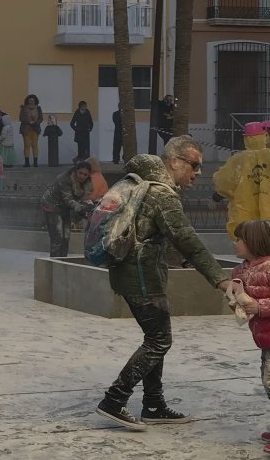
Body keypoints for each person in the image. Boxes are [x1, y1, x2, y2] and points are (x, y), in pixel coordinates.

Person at [95, 136, 231, 430]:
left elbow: (159, 236)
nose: (198, 173)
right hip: (142, 279)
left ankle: (154, 405)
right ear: (175, 162)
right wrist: (220, 279)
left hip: (133, 274)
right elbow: (188, 241)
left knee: (154, 338)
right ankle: (114, 399)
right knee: (159, 340)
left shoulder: (145, 186)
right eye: (194, 165)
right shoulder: (162, 194)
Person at [228, 220, 270, 455]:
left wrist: (260, 306)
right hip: (264, 339)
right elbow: (238, 302)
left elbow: (257, 304)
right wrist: (234, 299)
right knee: (268, 383)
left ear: (253, 241)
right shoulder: (242, 271)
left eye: (239, 239)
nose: (234, 243)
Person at [212, 122, 270, 239]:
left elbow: (223, 183)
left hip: (244, 219)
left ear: (246, 138)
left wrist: (221, 195)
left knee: (248, 248)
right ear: (264, 136)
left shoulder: (237, 160)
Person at [40, 161, 93, 257]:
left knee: (66, 236)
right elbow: (68, 200)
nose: (82, 176)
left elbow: (80, 200)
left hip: (64, 208)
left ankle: (63, 262)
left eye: (85, 174)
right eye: (80, 173)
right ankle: (55, 264)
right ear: (76, 171)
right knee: (57, 237)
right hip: (52, 206)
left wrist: (87, 209)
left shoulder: (86, 184)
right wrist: (83, 209)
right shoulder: (65, 179)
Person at [19, 94, 43, 167]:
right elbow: (21, 118)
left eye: (32, 101)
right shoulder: (23, 108)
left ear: (35, 101)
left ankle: (35, 162)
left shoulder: (38, 108)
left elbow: (41, 118)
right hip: (26, 129)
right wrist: (28, 122)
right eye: (30, 101)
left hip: (35, 129)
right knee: (26, 145)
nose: (31, 102)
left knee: (35, 145)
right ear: (27, 101)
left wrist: (35, 122)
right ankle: (27, 162)